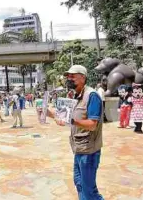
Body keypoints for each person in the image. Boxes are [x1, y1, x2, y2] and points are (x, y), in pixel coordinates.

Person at [48, 65, 104, 200]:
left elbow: (92, 125)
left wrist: (71, 120)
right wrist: (51, 115)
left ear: (83, 77)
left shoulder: (92, 96)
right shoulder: (75, 96)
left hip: (89, 151)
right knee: (79, 184)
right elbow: (68, 119)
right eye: (68, 76)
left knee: (89, 190)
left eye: (72, 76)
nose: (69, 78)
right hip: (78, 149)